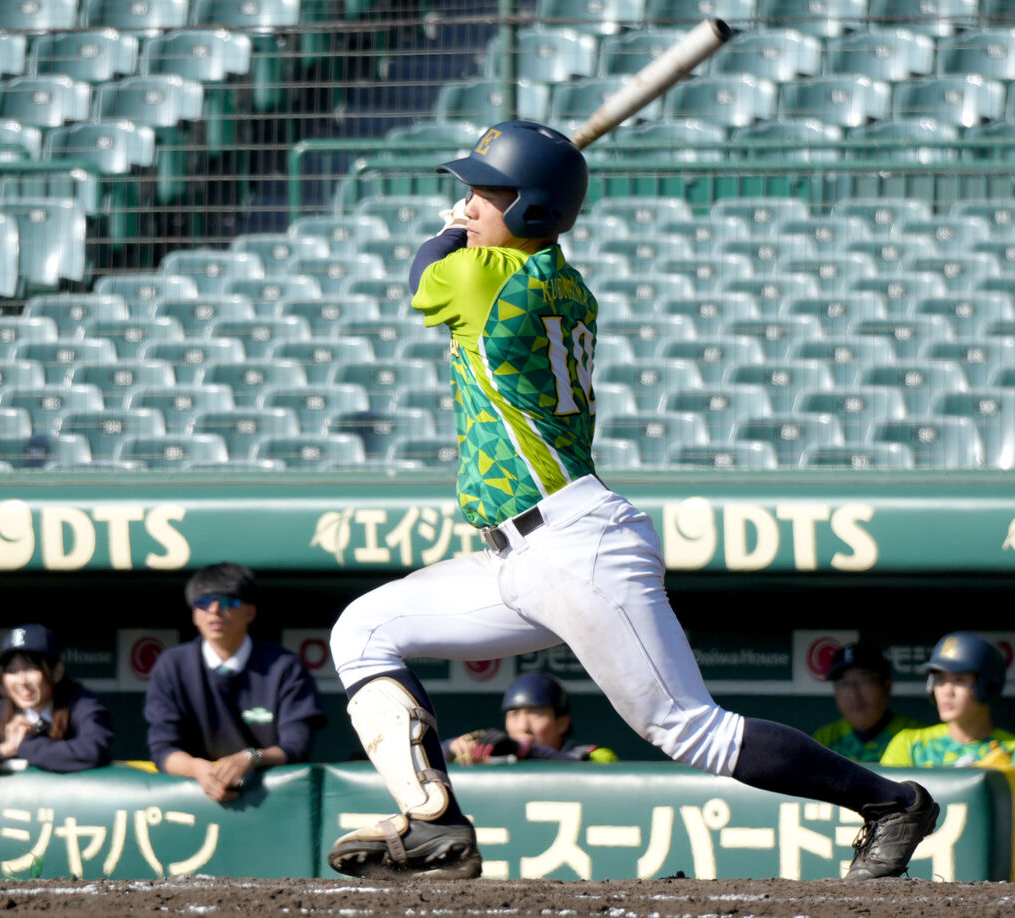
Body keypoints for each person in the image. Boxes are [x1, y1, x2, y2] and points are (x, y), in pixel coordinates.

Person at [325, 120, 939, 881]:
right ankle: (436, 829)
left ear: (536, 212)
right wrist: (482, 219)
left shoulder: (484, 275)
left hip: (574, 544)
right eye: (472, 190)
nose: (470, 201)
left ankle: (890, 803)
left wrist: (449, 233)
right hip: (519, 553)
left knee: (691, 731)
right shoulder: (560, 281)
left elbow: (423, 273)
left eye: (491, 191)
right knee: (363, 629)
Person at [144, 562, 327, 804]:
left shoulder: (285, 666)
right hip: (191, 802)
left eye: (228, 602)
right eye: (204, 603)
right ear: (194, 615)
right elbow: (163, 749)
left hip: (273, 800)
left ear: (250, 612)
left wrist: (251, 758)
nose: (215, 611)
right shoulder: (171, 665)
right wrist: (197, 768)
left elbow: (296, 746)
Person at [0, 624, 113, 780]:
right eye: (11, 670)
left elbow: (93, 749)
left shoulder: (80, 702)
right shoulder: (1, 710)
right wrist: (5, 749)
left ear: (57, 672)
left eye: (31, 668)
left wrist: (25, 746)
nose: (21, 681)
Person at [881, 632, 1015, 768]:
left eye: (959, 680)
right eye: (940, 679)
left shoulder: (1011, 751)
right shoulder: (909, 744)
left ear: (988, 686)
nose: (947, 691)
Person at [444, 672, 617, 764]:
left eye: (536, 713)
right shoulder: (491, 756)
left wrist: (525, 750)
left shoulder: (594, 755)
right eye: (514, 714)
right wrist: (451, 747)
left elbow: (587, 772)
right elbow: (424, 763)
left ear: (562, 723)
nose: (523, 726)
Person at [812, 642, 926, 764]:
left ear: (887, 685)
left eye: (864, 680)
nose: (853, 694)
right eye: (843, 683)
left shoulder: (917, 736)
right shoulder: (824, 740)